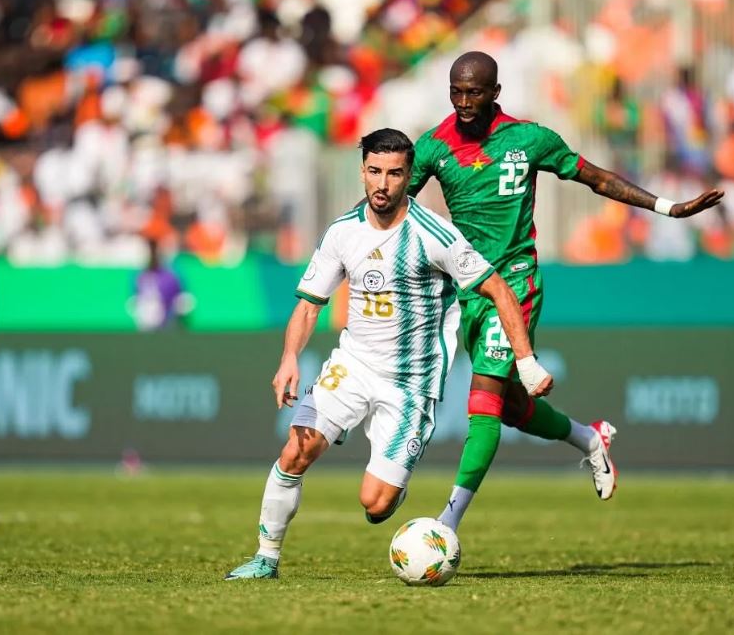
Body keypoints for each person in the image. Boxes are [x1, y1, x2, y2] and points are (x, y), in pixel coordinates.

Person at [407, 51, 724, 531]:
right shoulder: (433, 147)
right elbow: (391, 205)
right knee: (513, 407)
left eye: (474, 92)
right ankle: (590, 439)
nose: (464, 101)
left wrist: (667, 207)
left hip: (515, 283)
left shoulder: (530, 139)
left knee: (485, 401)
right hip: (468, 288)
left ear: (495, 93)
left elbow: (596, 178)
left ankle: (445, 525)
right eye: (457, 91)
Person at [225, 128, 553, 580]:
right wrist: (288, 359)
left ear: (409, 176)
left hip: (410, 385)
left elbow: (497, 288)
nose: (383, 183)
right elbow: (307, 306)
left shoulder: (435, 234)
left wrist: (526, 362)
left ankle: (391, 487)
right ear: (362, 172)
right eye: (375, 172)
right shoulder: (342, 233)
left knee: (375, 505)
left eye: (395, 174)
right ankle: (265, 557)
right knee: (295, 452)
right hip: (352, 365)